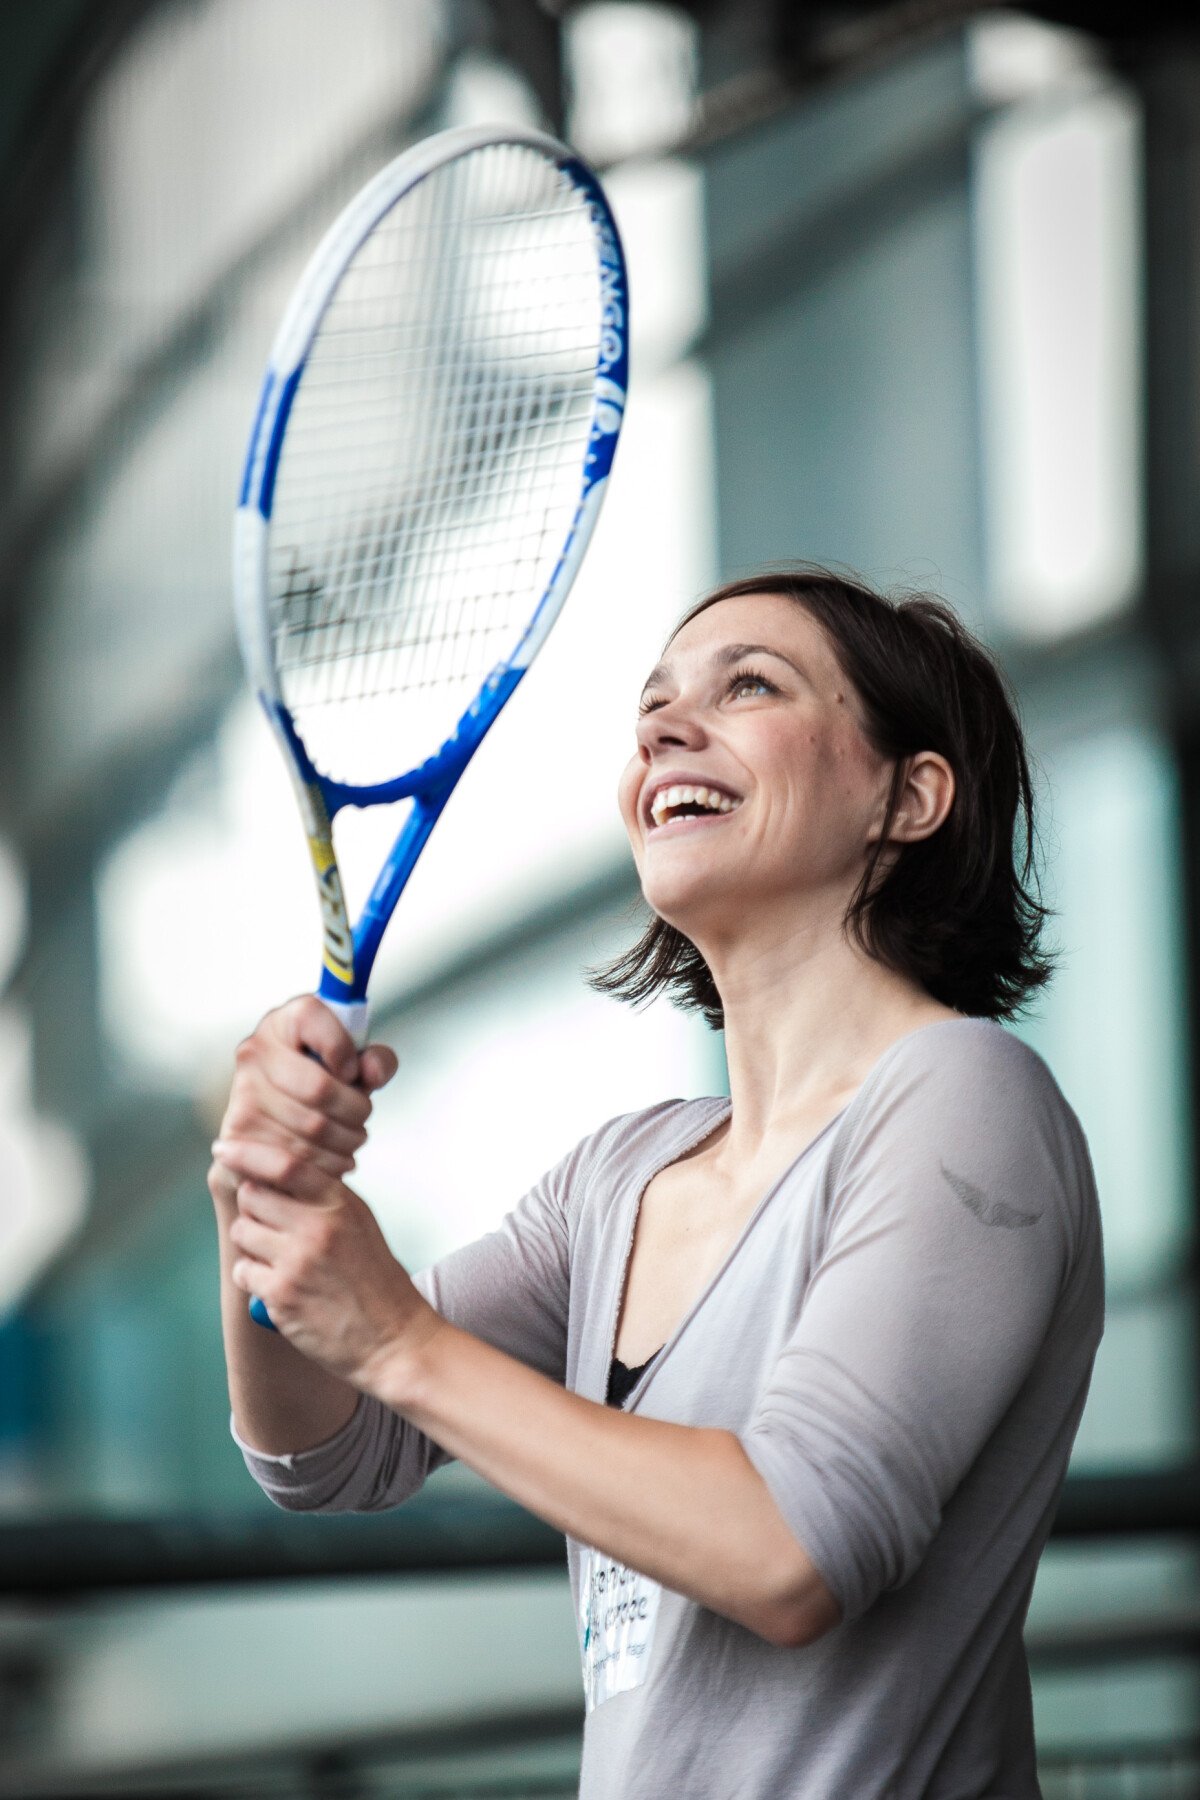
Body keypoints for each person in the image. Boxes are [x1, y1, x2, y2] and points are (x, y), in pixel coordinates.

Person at [210, 566, 1104, 1799]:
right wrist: (256, 1198)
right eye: (652, 707)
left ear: (909, 796)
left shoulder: (967, 1095)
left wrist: (402, 1338)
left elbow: (792, 1548)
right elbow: (323, 1449)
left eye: (750, 685)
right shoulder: (618, 1178)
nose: (663, 729)